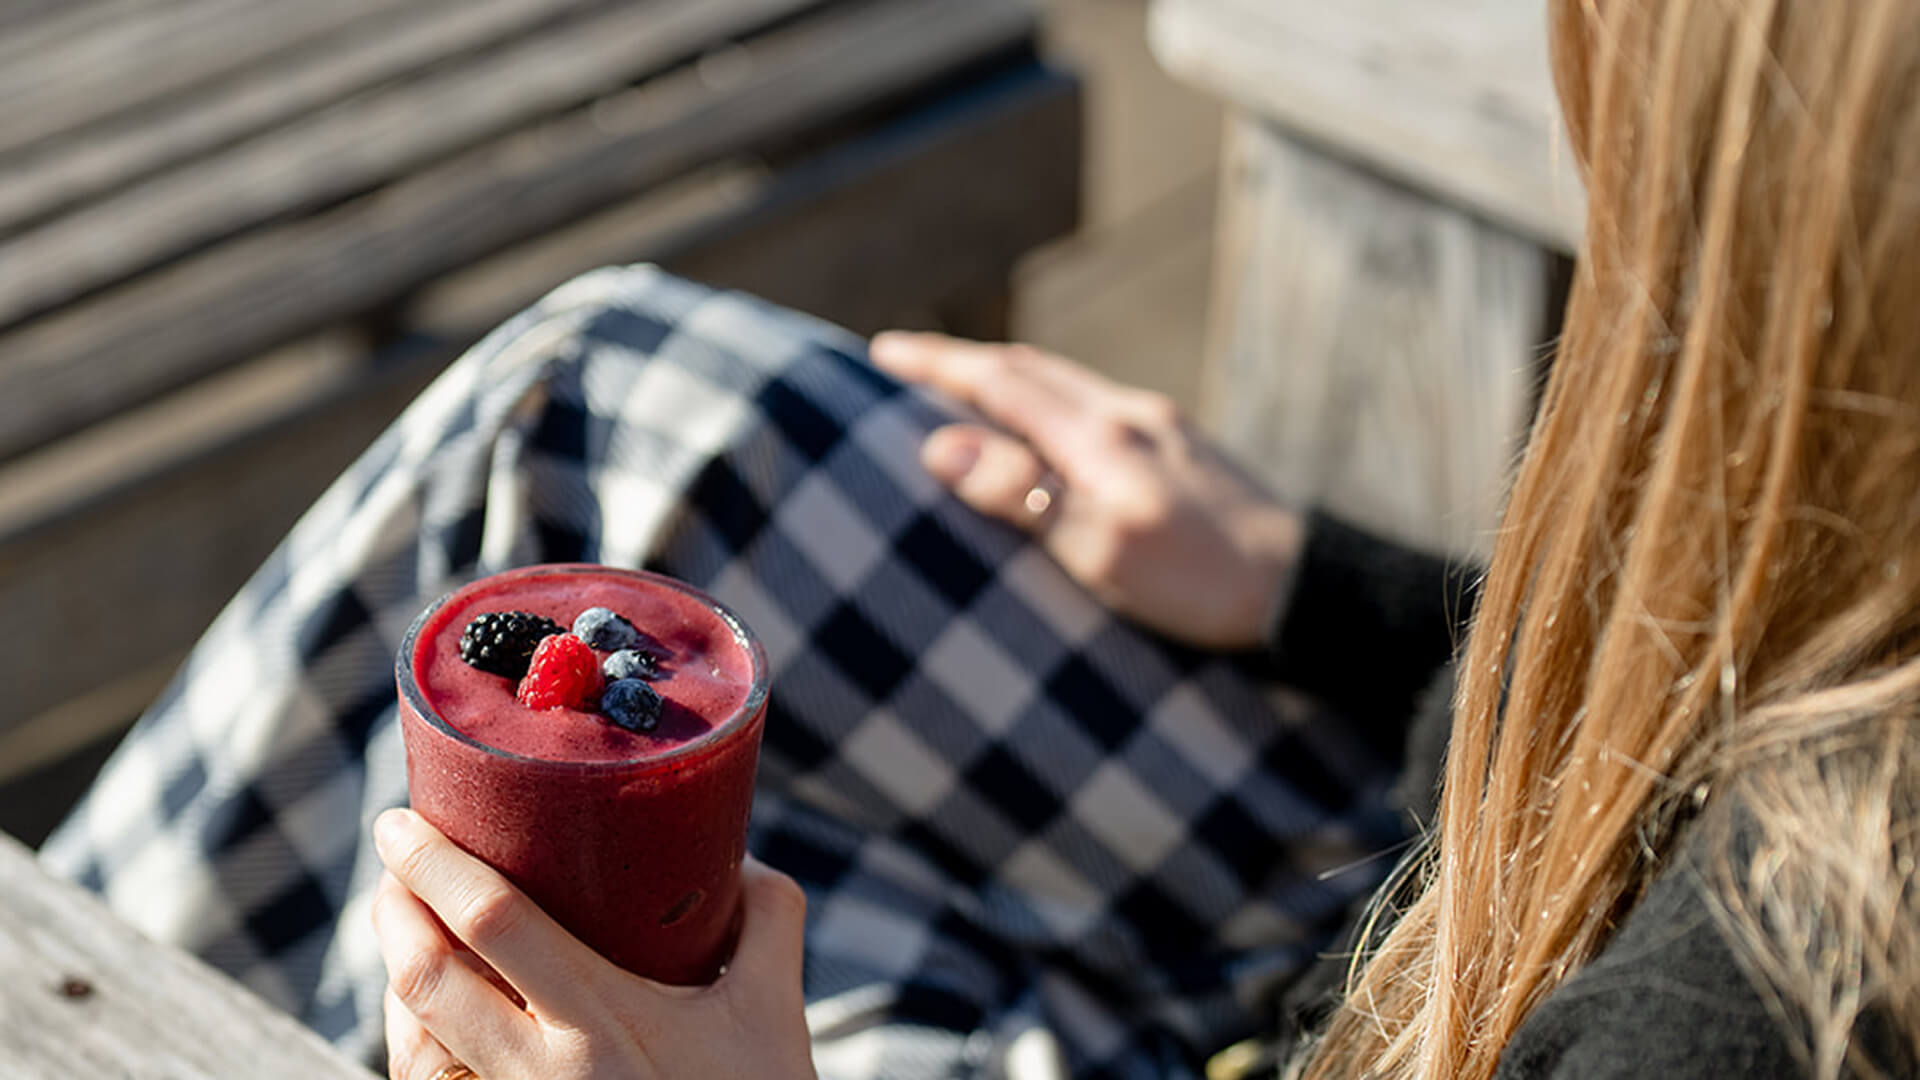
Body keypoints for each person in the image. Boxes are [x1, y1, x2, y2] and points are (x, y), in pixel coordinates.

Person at [360, 0, 1920, 1077]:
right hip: (1405, 885)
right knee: (588, 399)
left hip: (1365, 996)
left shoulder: (1761, 1009)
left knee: (507, 908)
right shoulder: (1830, 601)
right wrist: (1308, 582)